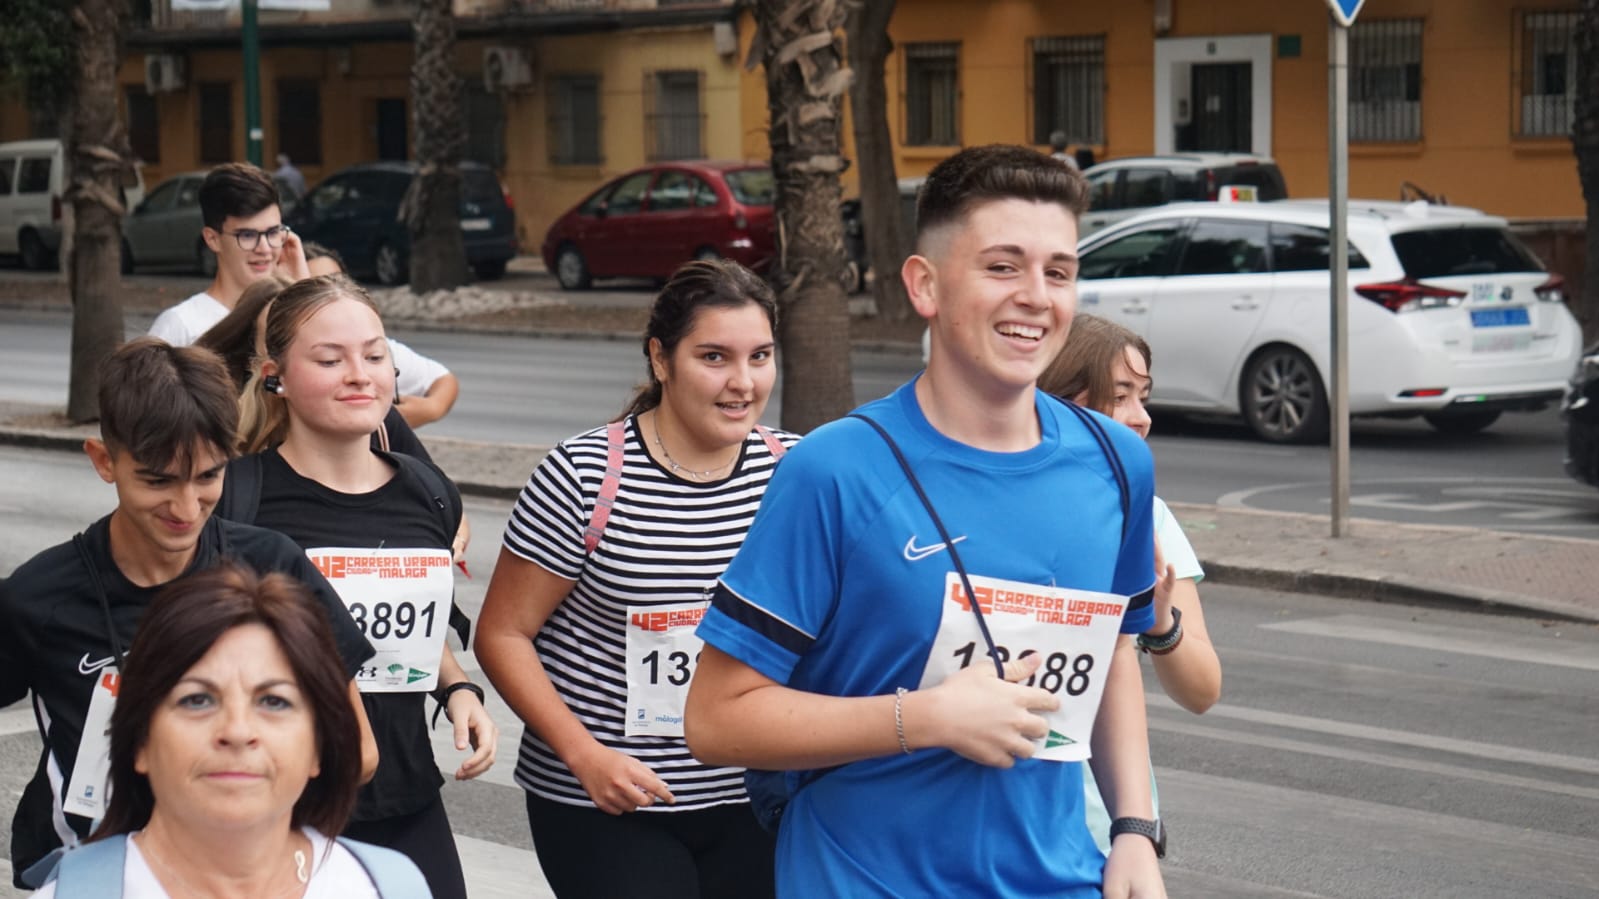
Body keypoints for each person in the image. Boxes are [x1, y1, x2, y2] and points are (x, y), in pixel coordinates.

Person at [684, 145, 1167, 898]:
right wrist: (928, 717)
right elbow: (715, 719)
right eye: (1002, 267)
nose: (1036, 297)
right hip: (859, 877)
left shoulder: (1117, 462)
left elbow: (1111, 654)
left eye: (1059, 271)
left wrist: (1134, 829)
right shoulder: (834, 469)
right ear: (925, 285)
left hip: (1062, 876)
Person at [0, 338, 376, 888]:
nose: (185, 508)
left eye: (208, 478)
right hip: (89, 873)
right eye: (157, 480)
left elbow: (357, 750)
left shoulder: (272, 566)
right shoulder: (39, 597)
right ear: (104, 461)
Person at [476, 259, 792, 899]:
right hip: (610, 801)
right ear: (660, 358)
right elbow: (503, 634)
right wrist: (583, 755)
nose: (742, 381)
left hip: (756, 796)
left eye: (760, 356)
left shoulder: (799, 470)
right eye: (714, 357)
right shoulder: (584, 476)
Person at [223, 275, 496, 899]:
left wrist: (458, 692)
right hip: (279, 805)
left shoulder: (427, 492)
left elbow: (408, 629)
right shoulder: (239, 498)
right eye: (330, 359)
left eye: (375, 356)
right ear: (277, 376)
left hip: (406, 796)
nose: (360, 374)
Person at [33, 563, 427, 898]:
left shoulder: (388, 887)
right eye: (197, 700)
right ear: (139, 741)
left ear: (318, 746)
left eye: (274, 701)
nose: (238, 731)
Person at [1039, 313, 1222, 852]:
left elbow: (1202, 691)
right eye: (1120, 396)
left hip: (1110, 827)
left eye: (1143, 396)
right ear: (1059, 398)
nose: (1141, 418)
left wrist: (1160, 623)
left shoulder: (1150, 515)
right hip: (990, 815)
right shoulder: (981, 502)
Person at [148, 162, 310, 347]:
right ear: (212, 239)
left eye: (273, 233)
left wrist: (301, 290)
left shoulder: (289, 316)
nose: (264, 248)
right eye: (247, 235)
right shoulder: (181, 327)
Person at [303, 241, 460, 430]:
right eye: (328, 361)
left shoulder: (377, 345)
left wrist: (427, 409)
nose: (359, 378)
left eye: (373, 358)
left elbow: (442, 378)